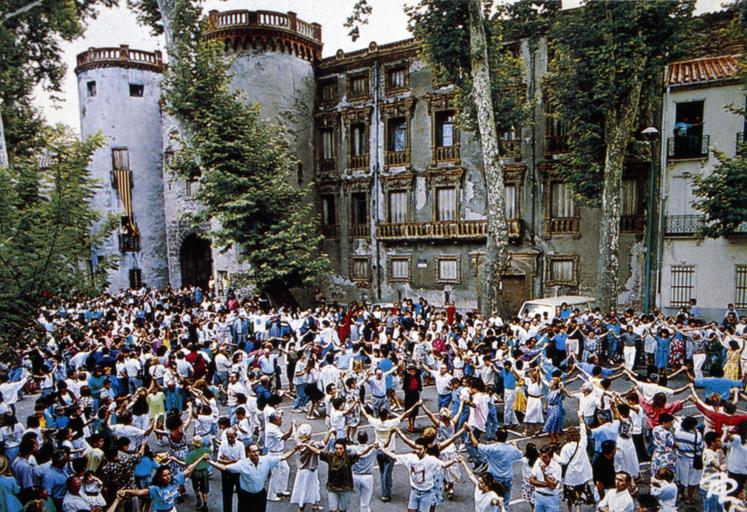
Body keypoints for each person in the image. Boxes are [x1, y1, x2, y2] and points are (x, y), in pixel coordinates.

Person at [208, 443, 299, 512]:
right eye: (253, 451)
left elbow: (283, 457)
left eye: (257, 451)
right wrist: (210, 462)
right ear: (248, 453)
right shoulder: (242, 464)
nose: (256, 454)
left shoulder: (266, 460)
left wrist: (296, 448)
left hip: (260, 495)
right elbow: (224, 468)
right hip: (246, 497)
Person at [378, 437, 456, 512]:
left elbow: (444, 464)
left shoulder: (431, 460)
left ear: (425, 449)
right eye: (416, 448)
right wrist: (381, 448)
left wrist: (454, 461)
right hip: (414, 492)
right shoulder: (410, 457)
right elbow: (394, 456)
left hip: (426, 493)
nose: (417, 451)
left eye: (420, 449)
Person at [303, 438, 375, 512]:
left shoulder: (348, 457)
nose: (338, 450)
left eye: (340, 448)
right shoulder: (330, 456)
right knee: (333, 510)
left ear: (344, 449)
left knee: (342, 510)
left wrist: (369, 447)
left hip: (345, 489)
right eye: (336, 448)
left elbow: (361, 453)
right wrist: (307, 445)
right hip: (332, 488)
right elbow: (318, 451)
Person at [118, 455, 209, 512]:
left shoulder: (174, 481)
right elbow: (140, 492)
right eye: (165, 475)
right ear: (160, 477)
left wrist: (200, 458)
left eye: (169, 474)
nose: (168, 476)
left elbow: (188, 470)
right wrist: (125, 491)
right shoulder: (155, 489)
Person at [528, 444, 561, 512]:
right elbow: (531, 480)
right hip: (538, 496)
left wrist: (544, 472)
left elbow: (553, 485)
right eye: (541, 456)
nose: (542, 458)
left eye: (544, 457)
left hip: (551, 498)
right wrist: (546, 484)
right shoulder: (538, 462)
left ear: (551, 456)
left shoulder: (557, 467)